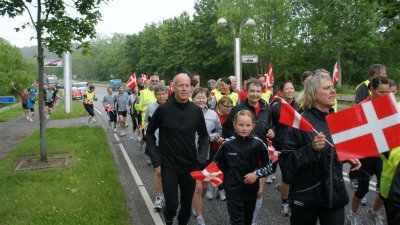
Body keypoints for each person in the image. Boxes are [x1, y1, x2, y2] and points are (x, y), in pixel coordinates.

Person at [280, 70, 361, 225]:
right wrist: (311, 149)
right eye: (327, 88)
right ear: (313, 94)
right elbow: (286, 163)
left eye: (332, 87)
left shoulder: (338, 121)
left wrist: (347, 156)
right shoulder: (300, 122)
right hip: (305, 196)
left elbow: (332, 152)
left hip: (334, 195)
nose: (333, 91)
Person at [146, 73, 209, 225]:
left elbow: (204, 136)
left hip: (189, 164)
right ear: (173, 87)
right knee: (173, 205)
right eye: (180, 85)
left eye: (187, 85)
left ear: (190, 87)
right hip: (169, 165)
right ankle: (168, 218)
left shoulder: (195, 111)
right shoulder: (163, 110)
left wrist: (200, 158)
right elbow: (149, 133)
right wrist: (156, 159)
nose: (184, 89)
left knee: (186, 205)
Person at [222, 78, 275, 224]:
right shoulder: (238, 109)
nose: (255, 94)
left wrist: (271, 131)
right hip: (240, 155)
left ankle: (252, 219)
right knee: (241, 194)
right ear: (246, 91)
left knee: (258, 192)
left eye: (258, 91)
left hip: (259, 156)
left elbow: (270, 125)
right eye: (252, 91)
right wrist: (237, 141)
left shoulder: (265, 107)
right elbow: (226, 128)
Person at [214, 109, 273, 225]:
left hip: (251, 191)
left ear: (253, 126)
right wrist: (218, 180)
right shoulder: (227, 144)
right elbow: (216, 164)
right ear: (234, 125)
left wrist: (256, 174)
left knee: (247, 220)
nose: (244, 128)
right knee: (236, 222)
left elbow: (270, 166)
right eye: (241, 125)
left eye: (248, 125)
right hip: (232, 191)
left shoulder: (259, 143)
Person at [348, 76, 389, 225]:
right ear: (371, 90)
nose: (384, 96)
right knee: (363, 189)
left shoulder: (389, 106)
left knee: (386, 189)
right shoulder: (361, 108)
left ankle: (375, 212)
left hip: (383, 154)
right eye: (381, 92)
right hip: (365, 154)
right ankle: (353, 213)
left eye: (387, 92)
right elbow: (353, 134)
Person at [191, 87, 222, 225]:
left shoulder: (213, 115)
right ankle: (199, 216)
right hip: (191, 156)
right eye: (198, 97)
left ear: (207, 99)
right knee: (197, 188)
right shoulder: (187, 114)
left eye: (203, 97)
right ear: (193, 99)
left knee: (204, 187)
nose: (201, 99)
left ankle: (197, 202)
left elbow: (219, 131)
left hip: (207, 155)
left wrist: (210, 137)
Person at [270, 80, 300, 217]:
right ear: (281, 92)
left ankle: (283, 188)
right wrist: (270, 130)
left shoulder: (300, 106)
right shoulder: (276, 107)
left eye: (292, 88)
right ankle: (285, 203)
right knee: (287, 176)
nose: (290, 91)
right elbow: (269, 124)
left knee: (297, 175)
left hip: (299, 145)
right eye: (287, 89)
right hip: (282, 146)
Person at [145, 84, 169, 210]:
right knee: (158, 171)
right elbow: (147, 123)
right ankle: (159, 197)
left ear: (167, 94)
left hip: (171, 145)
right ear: (155, 95)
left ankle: (169, 195)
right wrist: (145, 129)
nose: (161, 96)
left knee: (170, 172)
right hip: (156, 143)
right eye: (158, 94)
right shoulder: (151, 107)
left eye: (163, 93)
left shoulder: (172, 107)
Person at [206, 96, 234, 201]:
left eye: (231, 106)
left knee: (225, 169)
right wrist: (215, 137)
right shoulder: (213, 115)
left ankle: (221, 189)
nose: (229, 108)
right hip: (213, 146)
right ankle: (209, 186)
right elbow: (207, 129)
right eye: (226, 106)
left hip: (226, 146)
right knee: (213, 167)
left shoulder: (232, 116)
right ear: (219, 105)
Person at [135, 75, 159, 143]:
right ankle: (142, 144)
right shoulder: (143, 92)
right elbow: (138, 107)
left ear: (159, 82)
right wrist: (137, 102)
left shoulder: (161, 92)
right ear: (149, 81)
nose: (154, 82)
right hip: (147, 120)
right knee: (148, 138)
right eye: (153, 81)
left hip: (159, 119)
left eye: (156, 81)